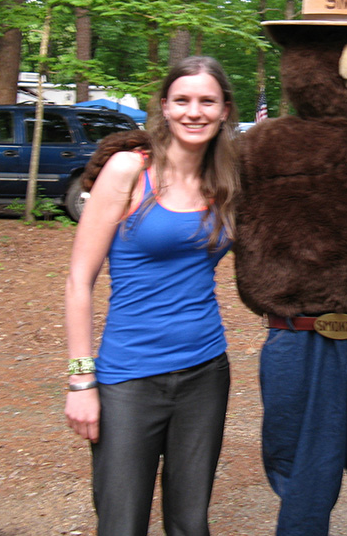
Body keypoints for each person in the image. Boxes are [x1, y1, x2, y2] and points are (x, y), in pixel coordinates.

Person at [63, 56, 240, 536]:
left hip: (206, 371)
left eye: (207, 101)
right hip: (129, 379)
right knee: (121, 522)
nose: (194, 111)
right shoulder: (128, 171)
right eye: (182, 100)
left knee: (190, 522)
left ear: (225, 110)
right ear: (164, 107)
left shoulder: (226, 182)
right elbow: (80, 280)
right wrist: (82, 380)